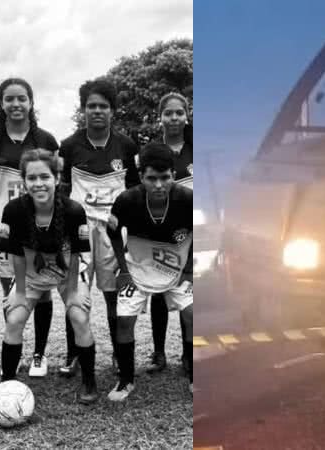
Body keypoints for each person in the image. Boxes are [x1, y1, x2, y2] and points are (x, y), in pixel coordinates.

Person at [0, 149, 98, 404]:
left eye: (44, 176)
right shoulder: (13, 210)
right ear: (24, 181)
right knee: (14, 318)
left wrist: (73, 290)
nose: (38, 183)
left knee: (79, 315)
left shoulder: (74, 210)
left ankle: (89, 380)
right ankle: (6, 383)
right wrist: (19, 291)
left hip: (67, 274)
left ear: (56, 177)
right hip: (30, 275)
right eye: (32, 178)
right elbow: (16, 255)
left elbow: (76, 255)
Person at [0, 78, 61, 378]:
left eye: (22, 98)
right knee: (10, 290)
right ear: (1, 103)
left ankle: (39, 354)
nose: (16, 104)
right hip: (5, 226)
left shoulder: (47, 140)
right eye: (9, 98)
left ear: (31, 102)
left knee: (42, 291)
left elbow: (54, 184)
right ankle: (13, 349)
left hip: (41, 226)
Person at [59, 78, 139, 376]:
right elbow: (63, 190)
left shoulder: (126, 145)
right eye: (91, 106)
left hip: (113, 231)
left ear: (112, 111)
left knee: (113, 295)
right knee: (75, 293)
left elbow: (133, 190)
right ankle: (74, 354)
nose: (97, 111)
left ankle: (119, 355)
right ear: (83, 110)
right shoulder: (68, 146)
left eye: (103, 106)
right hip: (79, 230)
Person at [106, 143, 193, 401]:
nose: (158, 185)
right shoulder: (126, 200)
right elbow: (113, 234)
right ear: (141, 176)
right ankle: (126, 381)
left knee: (192, 315)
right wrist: (123, 270)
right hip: (137, 269)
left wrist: (189, 271)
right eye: (151, 178)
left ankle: (195, 378)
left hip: (177, 271)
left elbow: (202, 234)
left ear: (173, 176)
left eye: (164, 178)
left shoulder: (188, 200)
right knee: (124, 320)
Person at [145, 93, 193, 374]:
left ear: (187, 116)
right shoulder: (150, 151)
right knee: (159, 291)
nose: (174, 118)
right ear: (160, 116)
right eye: (168, 113)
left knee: (188, 291)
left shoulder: (196, 146)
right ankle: (159, 352)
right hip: (159, 229)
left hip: (192, 231)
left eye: (179, 113)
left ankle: (188, 354)